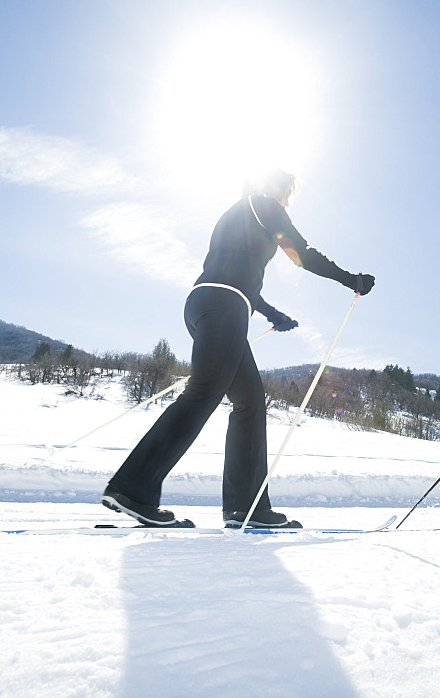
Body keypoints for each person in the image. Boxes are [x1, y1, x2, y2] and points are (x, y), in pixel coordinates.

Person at [102, 168, 375, 528]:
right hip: (224, 305)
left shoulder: (237, 214)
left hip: (210, 303)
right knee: (204, 392)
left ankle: (248, 509)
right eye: (288, 194)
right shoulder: (264, 204)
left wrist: (272, 313)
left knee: (249, 401)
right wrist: (350, 279)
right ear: (277, 189)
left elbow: (236, 272)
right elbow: (301, 253)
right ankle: (133, 489)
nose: (287, 201)